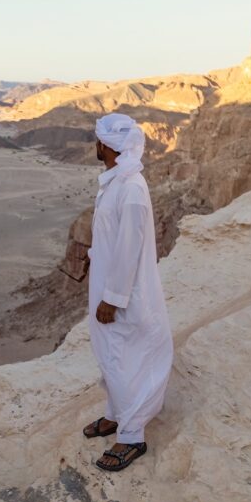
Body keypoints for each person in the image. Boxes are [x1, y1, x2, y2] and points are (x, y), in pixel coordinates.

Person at [82, 113, 173, 472]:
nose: (95, 145)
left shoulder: (131, 189)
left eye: (97, 139)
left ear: (106, 145)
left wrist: (113, 297)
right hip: (107, 285)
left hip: (124, 294)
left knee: (125, 357)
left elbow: (129, 249)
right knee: (109, 353)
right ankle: (115, 414)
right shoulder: (116, 182)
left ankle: (132, 436)